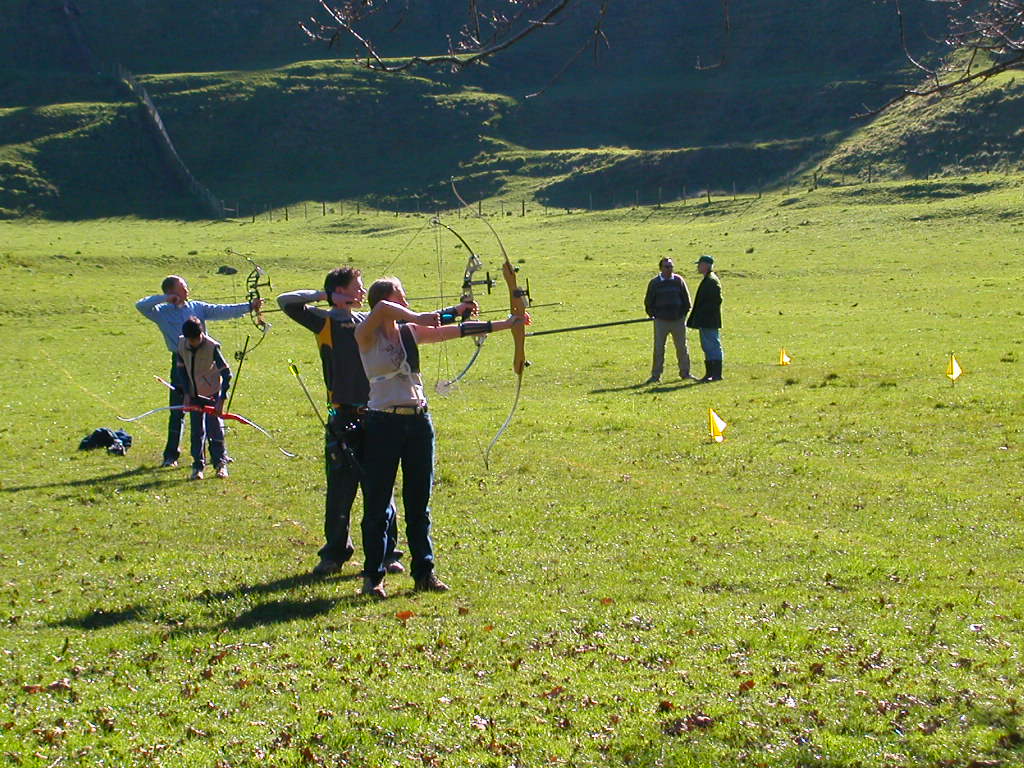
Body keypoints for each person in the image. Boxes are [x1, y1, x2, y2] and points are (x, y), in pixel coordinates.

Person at [277, 269, 476, 578]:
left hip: (377, 414)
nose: (360, 293)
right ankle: (334, 553)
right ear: (338, 291)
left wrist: (456, 312)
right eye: (355, 288)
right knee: (341, 488)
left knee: (380, 489)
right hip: (344, 415)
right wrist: (326, 296)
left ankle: (388, 554)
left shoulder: (365, 322)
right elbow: (286, 301)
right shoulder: (325, 322)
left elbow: (419, 323)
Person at [354, 276, 529, 598]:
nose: (405, 303)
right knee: (377, 505)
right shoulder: (366, 333)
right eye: (401, 298)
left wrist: (507, 324)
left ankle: (425, 573)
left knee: (419, 505)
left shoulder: (410, 332)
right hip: (382, 424)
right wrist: (420, 315)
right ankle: (373, 577)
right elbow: (381, 308)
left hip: (419, 423)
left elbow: (454, 330)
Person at [136, 275, 262, 467]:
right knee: (178, 411)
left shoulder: (197, 307)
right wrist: (165, 299)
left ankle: (219, 457)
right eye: (182, 287)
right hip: (180, 365)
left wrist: (249, 306)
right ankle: (171, 456)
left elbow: (221, 311)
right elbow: (141, 305)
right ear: (172, 292)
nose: (187, 290)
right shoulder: (161, 312)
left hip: (205, 366)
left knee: (212, 411)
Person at [176, 316, 232, 480]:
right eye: (190, 340)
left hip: (212, 393)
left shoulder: (212, 347)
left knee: (214, 429)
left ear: (201, 333)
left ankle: (220, 465)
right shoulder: (182, 345)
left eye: (196, 339)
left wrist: (222, 398)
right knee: (196, 432)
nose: (193, 343)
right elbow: (181, 371)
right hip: (193, 395)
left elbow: (227, 373)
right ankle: (197, 466)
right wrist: (186, 394)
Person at [643, 256, 693, 383]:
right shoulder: (654, 283)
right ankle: (656, 376)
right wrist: (655, 315)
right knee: (659, 348)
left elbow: (687, 301)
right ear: (660, 268)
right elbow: (648, 302)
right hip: (661, 321)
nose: (669, 269)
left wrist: (681, 315)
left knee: (682, 348)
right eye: (667, 266)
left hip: (678, 321)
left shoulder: (679, 281)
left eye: (671, 266)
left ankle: (685, 373)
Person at [687, 254, 724, 382]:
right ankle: (710, 374)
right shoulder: (709, 279)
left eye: (700, 264)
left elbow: (715, 301)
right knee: (708, 346)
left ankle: (716, 374)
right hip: (707, 320)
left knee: (712, 345)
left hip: (709, 320)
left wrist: (704, 314)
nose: (698, 267)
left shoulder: (711, 281)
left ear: (706, 265)